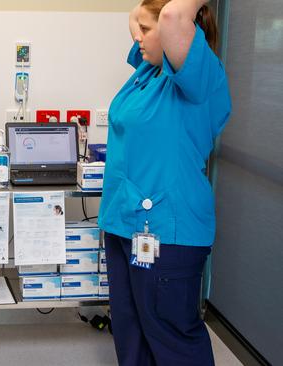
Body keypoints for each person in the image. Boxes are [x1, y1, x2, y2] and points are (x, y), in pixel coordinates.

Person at [98, 0, 230, 365]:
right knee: (130, 330)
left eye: (145, 30)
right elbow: (142, 15)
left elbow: (171, 15)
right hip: (125, 224)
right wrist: (145, 17)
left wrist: (171, 15)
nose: (136, 36)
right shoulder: (147, 70)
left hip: (167, 231)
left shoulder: (197, 75)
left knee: (170, 336)